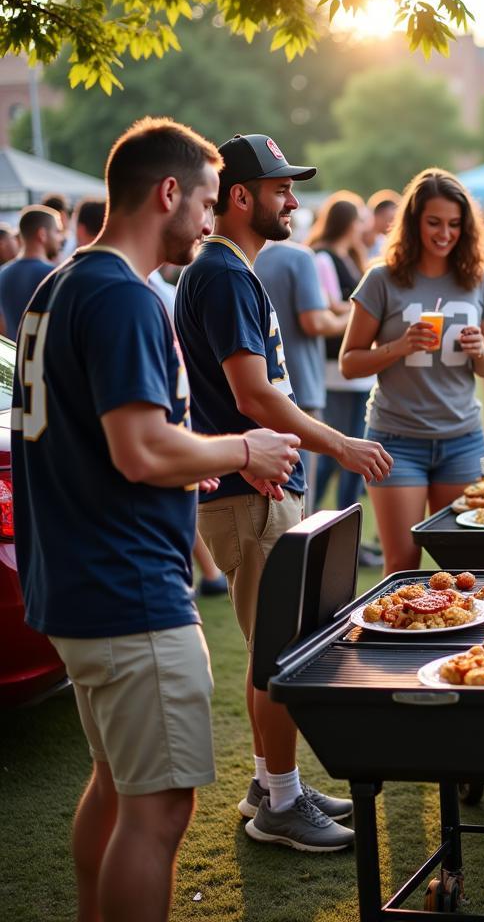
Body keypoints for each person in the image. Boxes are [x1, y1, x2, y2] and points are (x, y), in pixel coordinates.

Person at [12, 117, 300, 922]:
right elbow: (139, 449)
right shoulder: (121, 295)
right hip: (126, 586)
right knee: (161, 809)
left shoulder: (57, 285)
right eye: (206, 201)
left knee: (114, 786)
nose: (211, 221)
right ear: (168, 192)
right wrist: (243, 450)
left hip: (75, 582)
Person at [175, 133, 392, 853]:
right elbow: (253, 394)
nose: (293, 200)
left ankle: (274, 784)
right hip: (253, 491)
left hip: (257, 487)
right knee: (281, 659)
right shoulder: (225, 274)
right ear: (241, 197)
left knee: (278, 653)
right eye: (280, 188)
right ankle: (282, 805)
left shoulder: (230, 270)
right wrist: (341, 444)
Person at [341, 168, 484, 576]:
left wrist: (480, 350)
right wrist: (400, 346)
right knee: (403, 566)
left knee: (466, 567)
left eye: (454, 224)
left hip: (461, 439)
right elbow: (349, 362)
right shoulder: (382, 278)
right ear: (414, 222)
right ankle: (396, 641)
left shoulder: (477, 280)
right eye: (434, 222)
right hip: (398, 441)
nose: (444, 233)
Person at [254, 232, 349, 504]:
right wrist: (353, 317)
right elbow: (315, 322)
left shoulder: (241, 260)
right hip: (299, 389)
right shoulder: (299, 257)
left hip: (256, 389)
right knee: (299, 497)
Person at [307, 196, 375, 517]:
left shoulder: (347, 256)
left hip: (356, 372)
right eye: (360, 219)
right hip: (337, 368)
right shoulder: (323, 257)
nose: (365, 226)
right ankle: (311, 514)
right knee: (337, 452)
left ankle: (347, 526)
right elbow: (332, 304)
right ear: (349, 222)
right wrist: (367, 312)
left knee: (351, 455)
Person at [0, 205, 62, 339]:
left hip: (14, 357)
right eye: (57, 231)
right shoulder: (56, 275)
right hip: (44, 359)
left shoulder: (2, 274)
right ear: (42, 234)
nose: (60, 238)